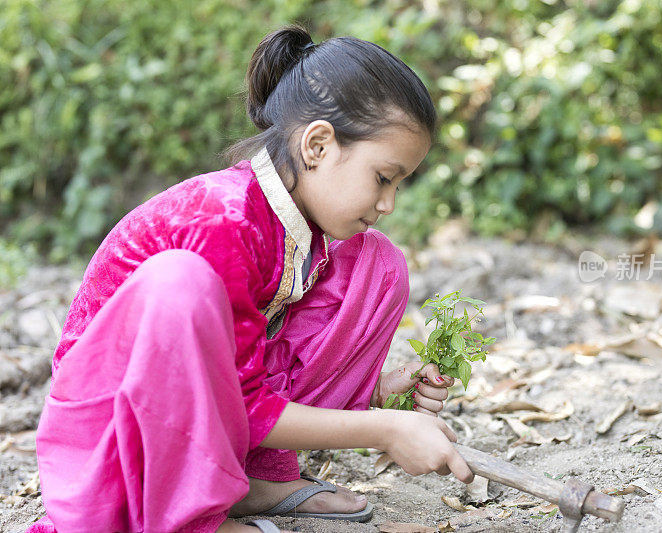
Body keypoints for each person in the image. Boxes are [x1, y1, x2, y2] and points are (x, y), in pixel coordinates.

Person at [28, 24, 474, 533]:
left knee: (377, 266)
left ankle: (249, 480)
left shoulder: (298, 228)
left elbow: (255, 365)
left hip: (208, 420)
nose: (389, 202)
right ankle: (183, 515)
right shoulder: (222, 220)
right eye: (382, 177)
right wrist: (386, 430)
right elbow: (244, 402)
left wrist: (379, 392)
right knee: (181, 282)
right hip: (114, 440)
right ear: (318, 146)